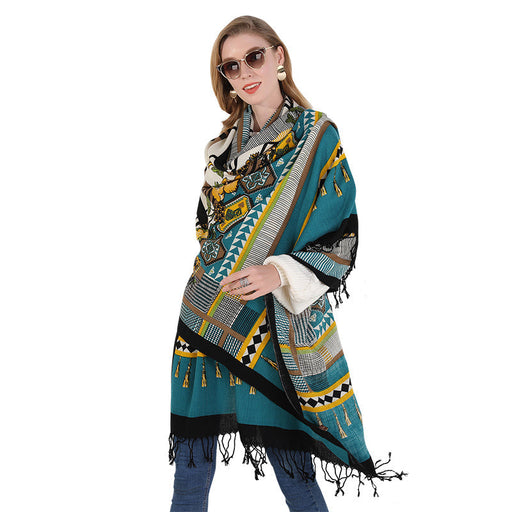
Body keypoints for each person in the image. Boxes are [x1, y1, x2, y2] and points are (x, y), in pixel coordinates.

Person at [168, 15, 405, 512]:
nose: (244, 72)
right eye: (231, 66)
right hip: (206, 315)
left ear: (278, 56)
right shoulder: (219, 151)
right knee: (190, 474)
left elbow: (342, 234)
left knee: (292, 470)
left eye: (253, 57)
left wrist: (277, 272)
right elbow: (206, 229)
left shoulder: (316, 137)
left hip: (273, 321)